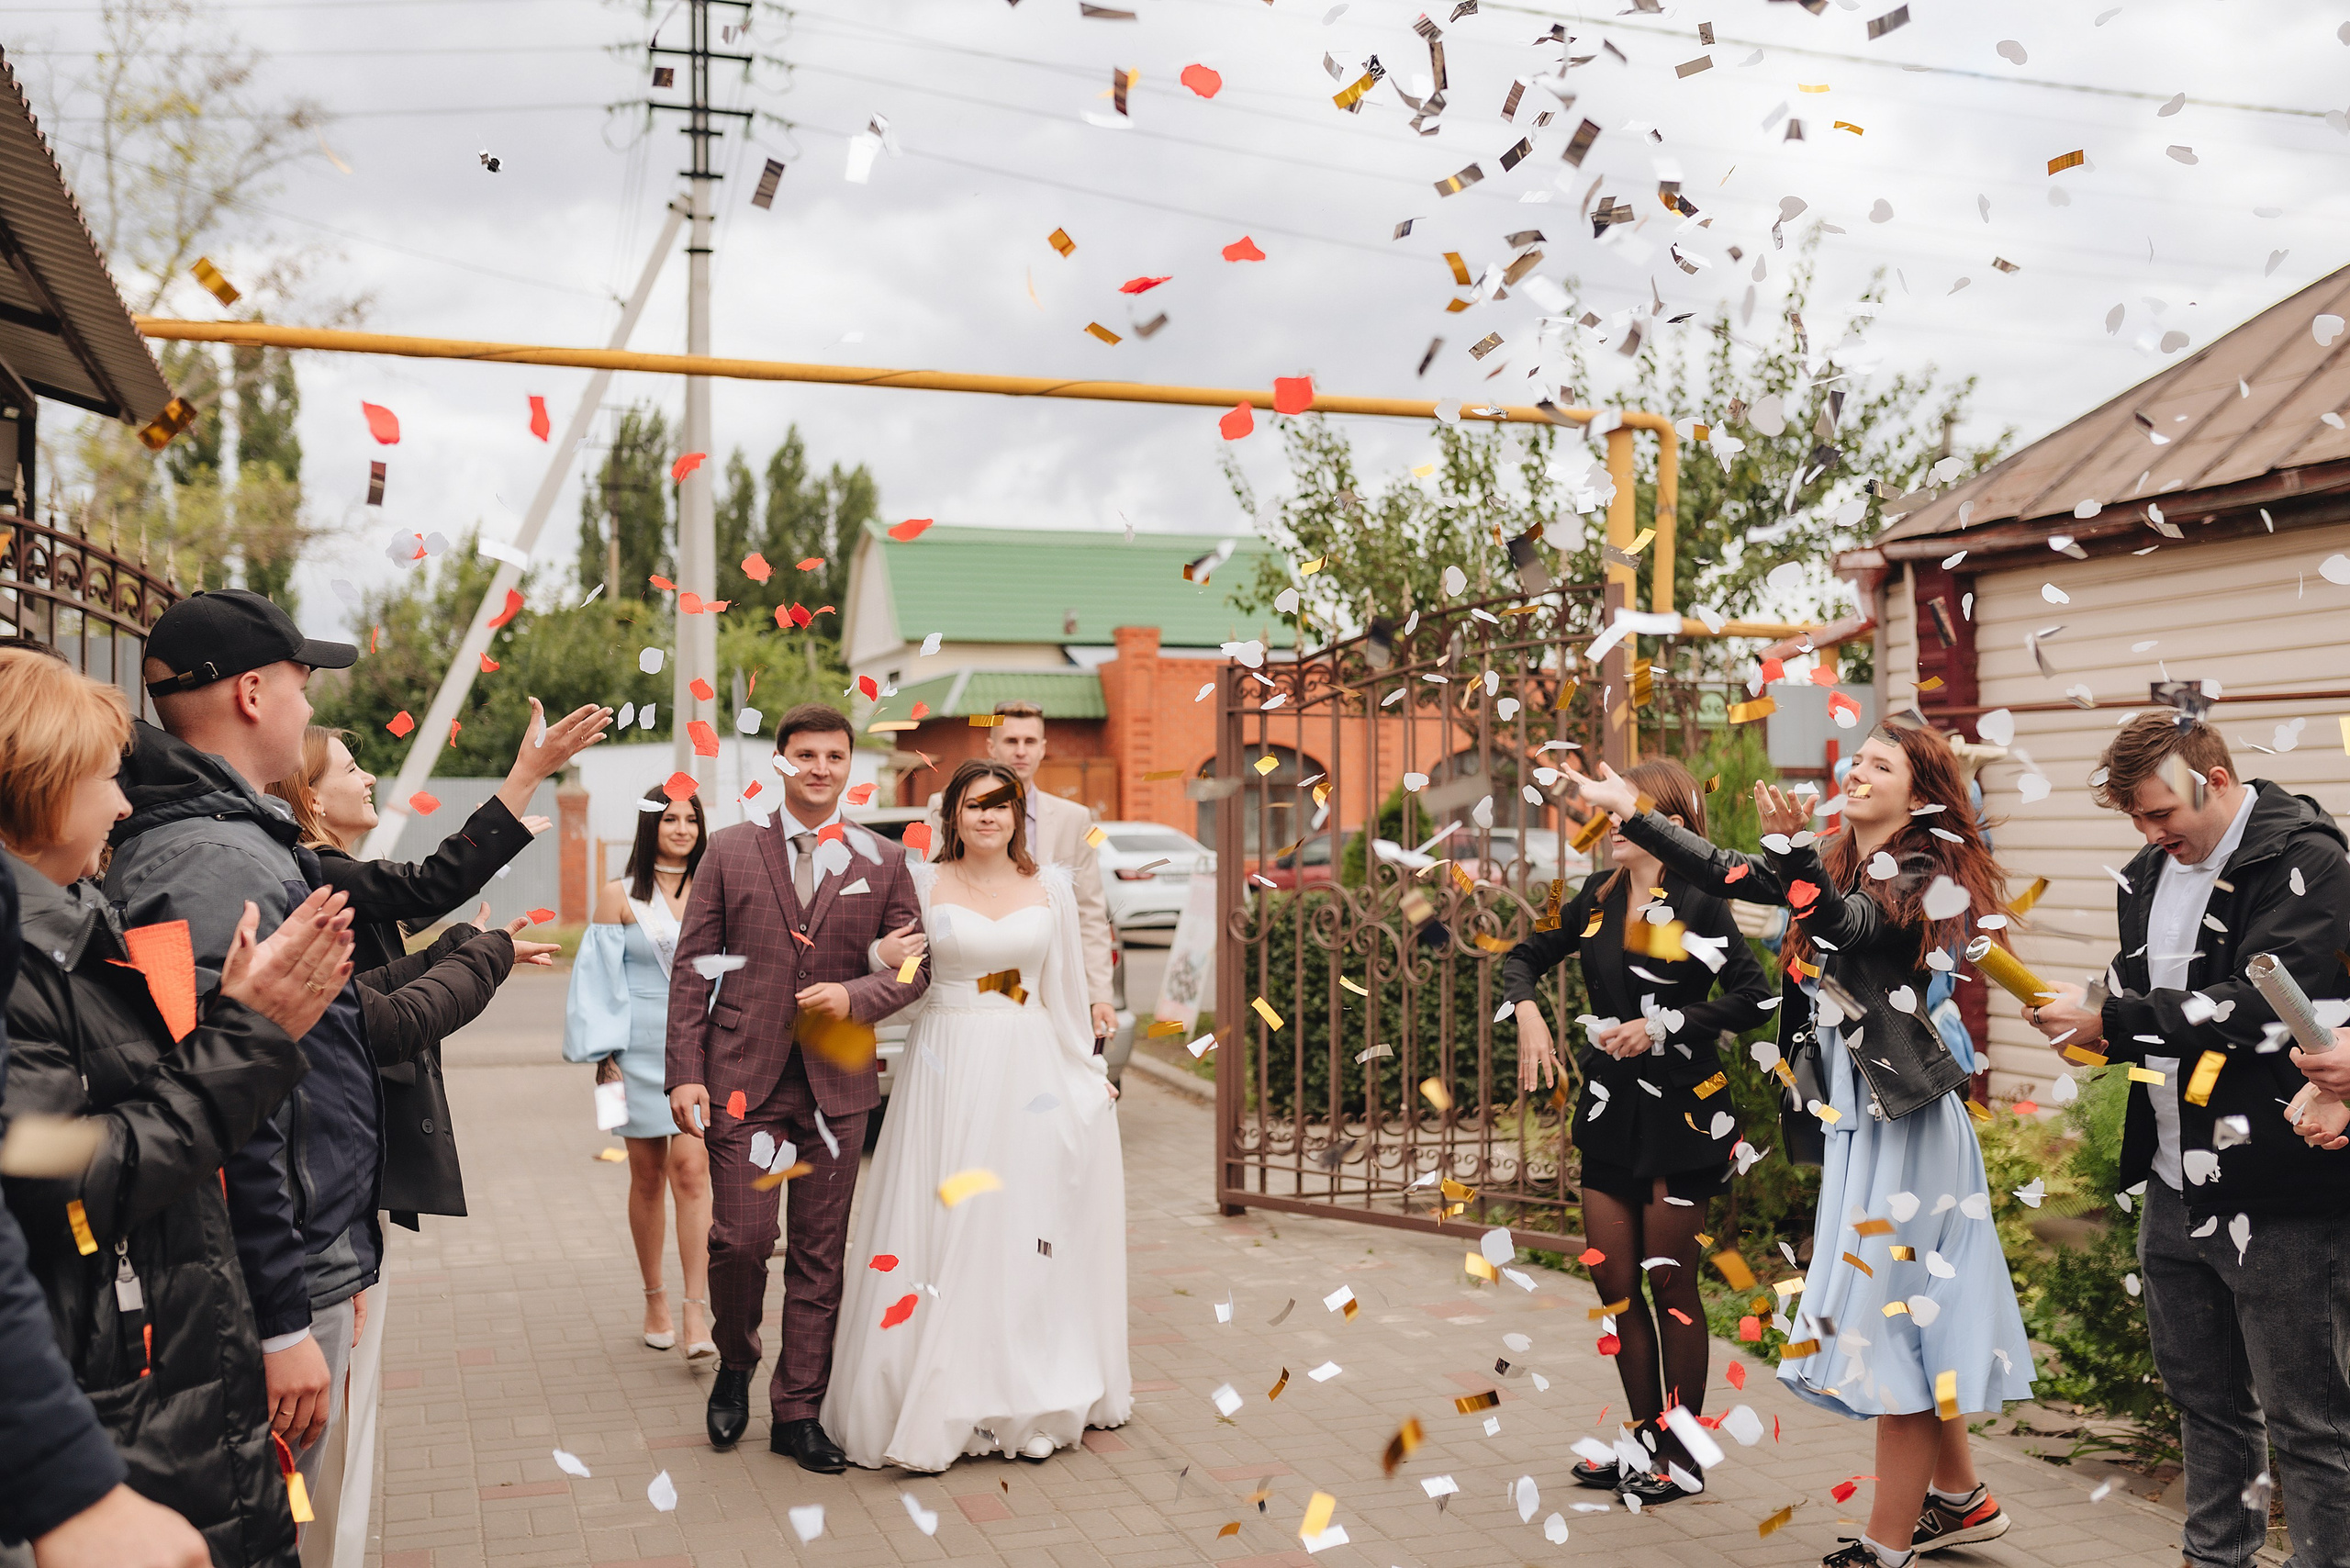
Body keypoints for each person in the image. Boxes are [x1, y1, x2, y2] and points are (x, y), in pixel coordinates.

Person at [1571, 723, 2032, 1568]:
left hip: (1906, 1127)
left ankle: (1885, 1545)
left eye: (1881, 764)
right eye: (1857, 759)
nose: (1858, 771)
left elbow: (1848, 927)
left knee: (1896, 1323)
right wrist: (1633, 813)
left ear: (1920, 793)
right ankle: (1962, 1499)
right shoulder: (1832, 856)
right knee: (1911, 1317)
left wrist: (1792, 857)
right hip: (1862, 1120)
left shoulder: (1919, 869)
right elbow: (1726, 868)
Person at [0, 644, 356, 1567]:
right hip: (113, 1395)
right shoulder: (24, 967)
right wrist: (246, 1040)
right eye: (103, 778)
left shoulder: (73, 929)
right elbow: (55, 1170)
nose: (123, 806)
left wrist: (233, 1026)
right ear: (40, 783)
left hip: (159, 1370)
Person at [2026, 711, 2350, 1568]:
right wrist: (2091, 1016)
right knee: (2206, 1408)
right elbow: (2153, 1002)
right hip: (2172, 1180)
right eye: (2136, 817)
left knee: (2310, 1424)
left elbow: (2255, 1008)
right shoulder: (2144, 873)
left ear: (2215, 779)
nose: (2148, 834)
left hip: (2279, 1184)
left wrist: (2115, 1020)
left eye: (2160, 812)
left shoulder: (2309, 859)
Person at [100, 588, 377, 1551]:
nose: (310, 707)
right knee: (281, 1521)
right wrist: (282, 1316)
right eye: (302, 684)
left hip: (295, 1255)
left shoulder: (231, 835)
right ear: (253, 694)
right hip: (271, 1282)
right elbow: (235, 1099)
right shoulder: (214, 860)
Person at [266, 720, 579, 1568]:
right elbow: (392, 1000)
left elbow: (369, 982)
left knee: (343, 1417)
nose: (369, 776)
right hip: (324, 1202)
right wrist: (487, 949)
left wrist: (464, 946)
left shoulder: (316, 874)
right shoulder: (310, 874)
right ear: (307, 793)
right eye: (351, 765)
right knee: (327, 1427)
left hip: (344, 1187)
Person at [825, 759, 1131, 1472]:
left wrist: (1086, 1072)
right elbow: (906, 976)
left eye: (1001, 804)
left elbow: (1060, 992)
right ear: (952, 816)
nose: (988, 816)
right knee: (949, 1227)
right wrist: (879, 953)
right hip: (947, 1065)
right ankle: (943, 1398)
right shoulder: (921, 882)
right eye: (974, 805)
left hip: (1029, 1068)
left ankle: (1028, 1397)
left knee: (1023, 1229)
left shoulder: (1051, 886)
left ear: (1018, 815)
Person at [666, 703, 929, 1468]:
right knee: (741, 1242)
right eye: (806, 755)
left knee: (820, 1255)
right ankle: (736, 1361)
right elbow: (693, 968)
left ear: (850, 767)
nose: (820, 768)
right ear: (780, 762)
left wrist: (855, 995)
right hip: (742, 1082)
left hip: (836, 1085)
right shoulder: (729, 850)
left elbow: (917, 968)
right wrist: (685, 1071)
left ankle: (798, 1411)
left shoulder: (885, 860)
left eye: (834, 756)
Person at [1505, 757, 1771, 1504]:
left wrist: (1665, 1025)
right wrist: (1527, 1009)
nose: (1609, 824)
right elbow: (1524, 956)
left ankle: (1683, 1458)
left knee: (1670, 1284)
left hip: (1685, 1113)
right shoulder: (1595, 896)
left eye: (1624, 812)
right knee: (1615, 1284)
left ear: (1671, 825)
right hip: (1608, 1112)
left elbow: (1755, 996)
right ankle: (1644, 1440)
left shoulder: (1702, 901)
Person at [564, 786, 714, 1361]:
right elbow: (597, 983)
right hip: (633, 1052)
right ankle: (655, 1299)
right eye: (670, 819)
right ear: (651, 826)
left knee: (691, 1171)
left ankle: (696, 1309)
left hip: (698, 1049)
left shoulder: (716, 887)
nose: (682, 829)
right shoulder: (619, 894)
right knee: (646, 1176)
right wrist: (605, 1060)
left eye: (691, 819)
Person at [921, 700, 1116, 1044]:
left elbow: (1090, 912)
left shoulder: (1075, 819)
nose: (1021, 751)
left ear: (1043, 749)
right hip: (964, 984)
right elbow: (929, 892)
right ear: (991, 747)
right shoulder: (944, 806)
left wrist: (1099, 994)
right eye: (1011, 741)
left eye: (1030, 742)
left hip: (1049, 981)